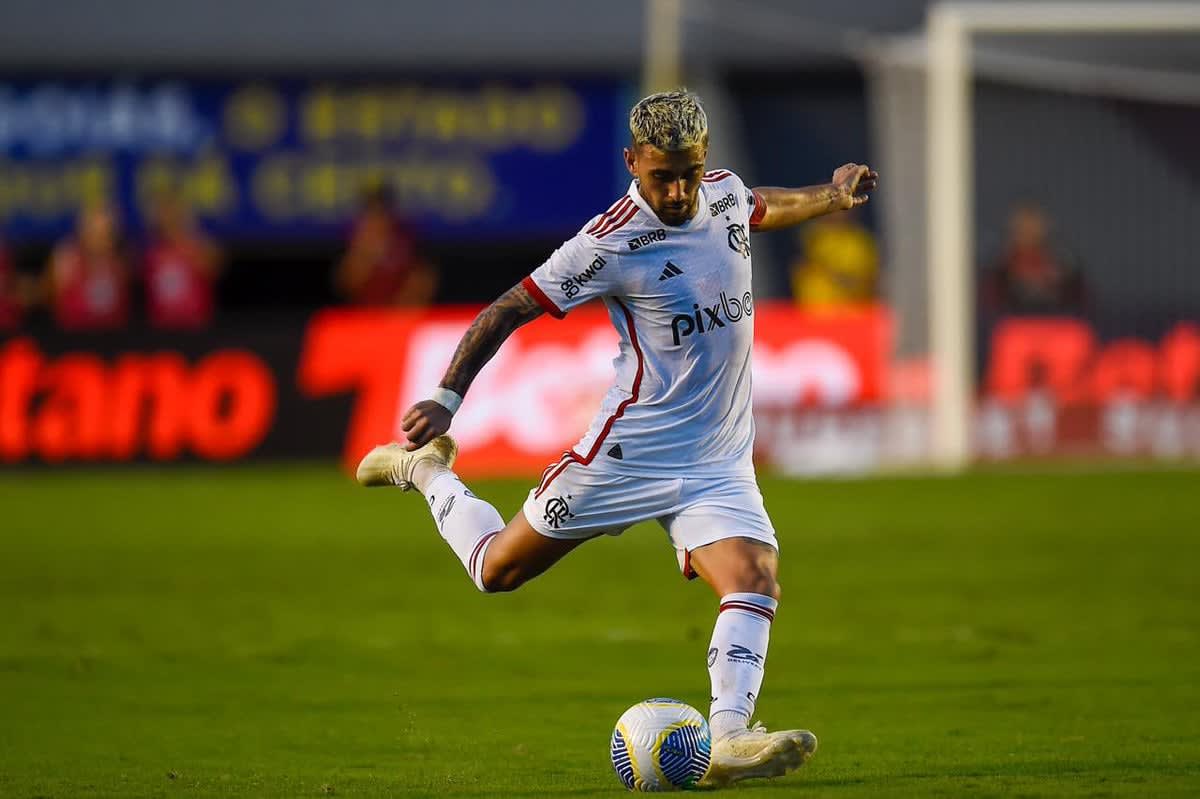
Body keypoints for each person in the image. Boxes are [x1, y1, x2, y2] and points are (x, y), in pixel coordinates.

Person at [356, 91, 877, 786]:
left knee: (754, 578)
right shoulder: (608, 241)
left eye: (690, 172)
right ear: (632, 162)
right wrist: (446, 397)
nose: (679, 189)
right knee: (495, 571)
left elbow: (760, 206)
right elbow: (510, 308)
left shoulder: (719, 196)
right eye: (663, 175)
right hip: (628, 454)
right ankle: (424, 472)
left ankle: (727, 737)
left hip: (718, 458)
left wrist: (831, 197)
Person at [334, 184, 436, 307]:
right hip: (363, 315)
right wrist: (365, 253)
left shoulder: (405, 234)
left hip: (400, 314)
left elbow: (424, 278)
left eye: (381, 210)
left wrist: (403, 308)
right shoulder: (355, 236)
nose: (377, 216)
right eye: (371, 211)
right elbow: (346, 285)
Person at [984, 203, 1086, 316]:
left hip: (1056, 326)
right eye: (1023, 226)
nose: (1029, 231)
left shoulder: (1063, 268)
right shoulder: (999, 270)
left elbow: (1082, 307)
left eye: (1034, 225)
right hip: (1013, 326)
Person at [44, 202, 132, 331]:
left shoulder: (120, 264)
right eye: (95, 232)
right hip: (75, 338)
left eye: (105, 233)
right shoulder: (68, 260)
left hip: (113, 339)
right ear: (84, 232)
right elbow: (49, 298)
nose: (100, 239)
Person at [143, 190, 223, 329]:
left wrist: (191, 250)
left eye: (171, 211)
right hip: (161, 328)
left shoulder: (199, 246)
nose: (167, 217)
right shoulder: (151, 251)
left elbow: (215, 268)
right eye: (162, 212)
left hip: (194, 326)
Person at [790, 209, 879, 311]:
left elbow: (864, 283)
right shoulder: (811, 239)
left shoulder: (860, 243)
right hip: (810, 315)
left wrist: (828, 272)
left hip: (847, 317)